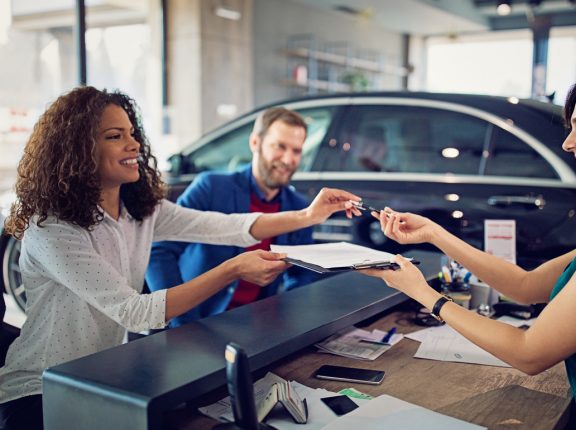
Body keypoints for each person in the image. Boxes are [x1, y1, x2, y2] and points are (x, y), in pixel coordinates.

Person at [0, 86, 361, 430]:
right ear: (78, 150)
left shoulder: (139, 210)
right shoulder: (51, 228)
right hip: (40, 390)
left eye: (131, 133)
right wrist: (233, 268)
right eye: (115, 136)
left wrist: (308, 216)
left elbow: (227, 227)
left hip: (100, 377)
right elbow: (135, 311)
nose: (134, 144)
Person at [361, 66, 576, 429]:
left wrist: (424, 294)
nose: (569, 142)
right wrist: (434, 233)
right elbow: (527, 286)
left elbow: (529, 353)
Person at [147, 107, 316, 328]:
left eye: (296, 151)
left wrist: (289, 323)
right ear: (255, 143)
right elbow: (159, 252)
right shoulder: (211, 188)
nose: (288, 159)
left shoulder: (299, 209)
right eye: (280, 146)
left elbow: (301, 276)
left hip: (255, 325)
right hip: (197, 321)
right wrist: (179, 320)